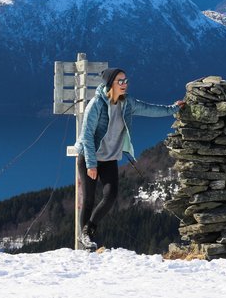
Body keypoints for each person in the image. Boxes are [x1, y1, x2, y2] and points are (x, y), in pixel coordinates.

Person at [74, 67, 184, 250]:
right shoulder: (96, 104)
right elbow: (86, 136)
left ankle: (88, 230)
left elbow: (150, 109)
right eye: (120, 81)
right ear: (111, 84)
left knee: (110, 196)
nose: (125, 84)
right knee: (89, 199)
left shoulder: (128, 103)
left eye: (126, 80)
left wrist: (173, 109)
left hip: (109, 158)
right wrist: (91, 164)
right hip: (88, 156)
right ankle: (85, 239)